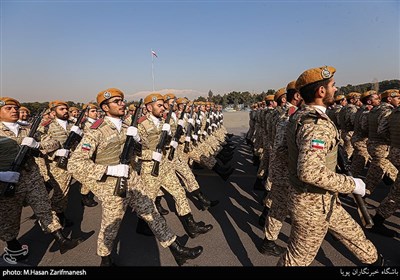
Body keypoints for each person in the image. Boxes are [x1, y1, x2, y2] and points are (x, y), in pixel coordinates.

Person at [67, 88, 203, 266]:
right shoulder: (96, 130)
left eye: (122, 100)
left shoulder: (127, 127)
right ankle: (105, 258)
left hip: (133, 179)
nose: (122, 104)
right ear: (105, 107)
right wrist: (110, 170)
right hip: (110, 186)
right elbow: (75, 164)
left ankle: (176, 248)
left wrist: (139, 141)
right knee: (111, 226)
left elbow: (138, 151)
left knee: (152, 212)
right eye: (117, 101)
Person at [277, 66, 382, 266]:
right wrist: (351, 184)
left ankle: (377, 263)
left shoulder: (298, 117)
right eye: (333, 85)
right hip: (312, 205)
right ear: (321, 91)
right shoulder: (316, 125)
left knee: (355, 237)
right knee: (296, 260)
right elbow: (309, 172)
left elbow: (283, 153)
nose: (336, 89)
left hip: (323, 199)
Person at [0, 97, 83, 261]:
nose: (14, 111)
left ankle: (61, 239)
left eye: (15, 108)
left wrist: (37, 145)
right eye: (8, 108)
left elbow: (53, 143)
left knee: (44, 206)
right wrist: (2, 175)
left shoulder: (28, 129)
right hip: (6, 181)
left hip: (31, 176)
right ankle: (13, 246)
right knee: (9, 216)